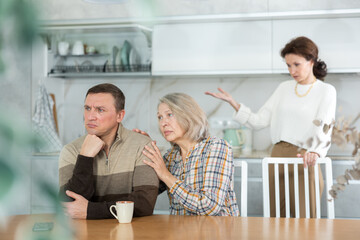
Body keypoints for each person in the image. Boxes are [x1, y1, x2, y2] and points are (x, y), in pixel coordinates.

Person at [206, 36, 336, 218]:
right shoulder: (283, 88)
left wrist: (316, 151)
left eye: (296, 64)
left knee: (306, 219)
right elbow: (259, 121)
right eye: (288, 65)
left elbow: (325, 125)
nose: (292, 70)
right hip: (277, 157)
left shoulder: (326, 91)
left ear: (311, 61)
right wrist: (233, 103)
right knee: (276, 217)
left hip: (305, 158)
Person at [59, 83, 159, 219]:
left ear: (120, 115)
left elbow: (144, 204)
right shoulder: (71, 150)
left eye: (100, 110)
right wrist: (85, 158)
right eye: (88, 108)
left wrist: (91, 211)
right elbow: (69, 205)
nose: (90, 116)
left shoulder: (142, 145)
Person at [136, 93, 239, 216]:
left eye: (169, 115)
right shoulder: (171, 156)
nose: (163, 123)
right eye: (160, 117)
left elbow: (210, 206)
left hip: (215, 232)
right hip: (181, 232)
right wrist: (146, 150)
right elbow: (146, 190)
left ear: (189, 115)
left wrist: (165, 175)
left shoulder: (216, 147)